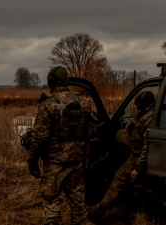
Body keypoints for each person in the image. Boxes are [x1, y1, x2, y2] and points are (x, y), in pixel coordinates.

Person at [27, 66, 92, 225]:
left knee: (52, 205)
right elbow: (90, 132)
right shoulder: (83, 103)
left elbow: (39, 137)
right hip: (76, 163)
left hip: (55, 165)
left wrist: (32, 160)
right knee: (78, 206)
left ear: (51, 82)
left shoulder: (48, 105)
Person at [87, 91, 155, 219]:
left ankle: (99, 210)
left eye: (137, 105)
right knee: (119, 134)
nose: (135, 107)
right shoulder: (146, 113)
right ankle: (123, 159)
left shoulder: (149, 121)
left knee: (119, 177)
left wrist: (136, 169)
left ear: (142, 105)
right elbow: (138, 120)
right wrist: (131, 125)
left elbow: (146, 148)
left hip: (138, 154)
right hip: (135, 145)